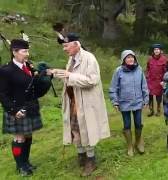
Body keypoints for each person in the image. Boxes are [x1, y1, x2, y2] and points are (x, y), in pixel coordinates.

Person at [52, 33, 110, 176]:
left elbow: (92, 80)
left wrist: (69, 76)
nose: (64, 49)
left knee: (87, 129)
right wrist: (57, 74)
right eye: (63, 46)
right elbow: (69, 78)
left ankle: (91, 159)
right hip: (73, 101)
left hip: (86, 102)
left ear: (76, 44)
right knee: (75, 129)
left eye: (66, 46)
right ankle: (81, 154)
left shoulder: (89, 59)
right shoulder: (71, 60)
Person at [0, 39, 52, 176]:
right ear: (14, 52)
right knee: (19, 138)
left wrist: (45, 78)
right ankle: (20, 165)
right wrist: (13, 110)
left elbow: (34, 86)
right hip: (17, 109)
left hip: (30, 106)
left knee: (28, 136)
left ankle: (26, 162)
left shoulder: (28, 67)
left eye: (28, 51)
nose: (27, 54)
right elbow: (2, 93)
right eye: (24, 51)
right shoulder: (6, 70)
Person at [109, 50, 149, 157]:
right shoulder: (118, 71)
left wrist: (146, 99)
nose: (130, 59)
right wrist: (115, 101)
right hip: (124, 103)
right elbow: (113, 88)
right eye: (128, 58)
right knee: (127, 124)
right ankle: (130, 146)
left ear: (135, 59)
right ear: (123, 60)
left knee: (138, 123)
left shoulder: (139, 70)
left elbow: (144, 85)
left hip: (138, 101)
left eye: (132, 57)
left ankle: (139, 142)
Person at [146, 44, 167, 117]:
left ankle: (158, 110)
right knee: (150, 96)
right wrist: (147, 76)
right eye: (155, 49)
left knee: (159, 97)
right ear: (153, 51)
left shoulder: (164, 59)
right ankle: (151, 110)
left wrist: (164, 80)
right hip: (151, 81)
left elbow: (166, 71)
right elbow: (148, 68)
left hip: (159, 81)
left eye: (158, 49)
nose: (156, 51)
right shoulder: (150, 59)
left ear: (160, 51)